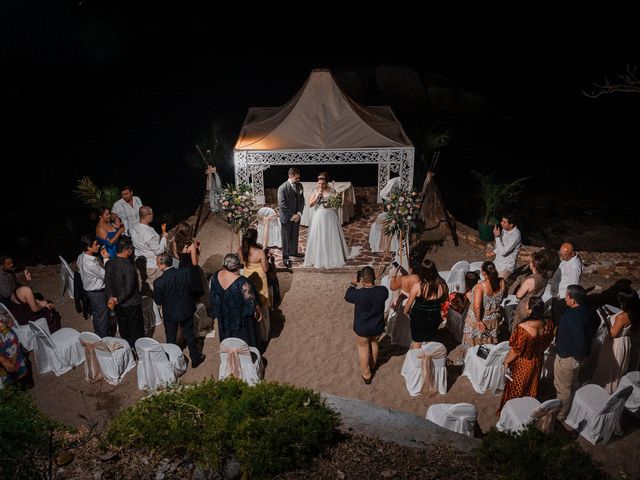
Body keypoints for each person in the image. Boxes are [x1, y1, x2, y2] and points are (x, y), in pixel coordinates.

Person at [497, 297, 554, 415]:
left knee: (516, 390)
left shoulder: (523, 328)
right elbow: (549, 339)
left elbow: (515, 351)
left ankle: (512, 415)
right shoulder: (548, 323)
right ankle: (525, 412)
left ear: (529, 310)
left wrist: (506, 362)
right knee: (531, 387)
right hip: (537, 360)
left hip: (523, 365)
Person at [553, 284, 599, 422]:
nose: (565, 298)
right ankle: (572, 404)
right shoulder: (589, 311)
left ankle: (560, 416)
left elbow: (579, 339)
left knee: (563, 389)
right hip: (581, 355)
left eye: (567, 295)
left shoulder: (570, 316)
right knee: (572, 381)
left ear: (573, 300)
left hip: (568, 357)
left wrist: (573, 357)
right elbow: (596, 323)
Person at [153, 253, 205, 368]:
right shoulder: (185, 272)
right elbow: (192, 288)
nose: (157, 265)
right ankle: (195, 358)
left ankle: (173, 362)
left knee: (171, 337)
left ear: (163, 265)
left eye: (157, 263)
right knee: (189, 334)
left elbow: (159, 301)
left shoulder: (158, 282)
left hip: (170, 313)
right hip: (186, 309)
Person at [454, 261, 506, 365]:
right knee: (486, 343)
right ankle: (481, 363)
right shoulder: (502, 282)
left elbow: (476, 306)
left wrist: (478, 321)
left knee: (471, 341)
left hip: (478, 320)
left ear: (484, 273)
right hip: (493, 319)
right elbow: (504, 296)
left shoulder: (480, 287)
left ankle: (466, 363)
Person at [344, 266, 388, 384]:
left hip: (362, 328)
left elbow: (347, 296)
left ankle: (366, 373)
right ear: (374, 277)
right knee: (374, 344)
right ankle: (372, 365)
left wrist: (353, 284)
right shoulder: (383, 291)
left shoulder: (358, 294)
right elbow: (385, 294)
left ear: (362, 279)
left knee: (363, 349)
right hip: (377, 327)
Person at [592, 287, 639, 393]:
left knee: (609, 368)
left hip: (615, 344)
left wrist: (606, 317)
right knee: (617, 370)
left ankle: (604, 391)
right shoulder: (634, 312)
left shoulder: (622, 317)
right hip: (625, 342)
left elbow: (613, 333)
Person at [209, 253, 261, 348]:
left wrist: (212, 318)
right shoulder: (243, 282)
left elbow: (213, 298)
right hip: (241, 322)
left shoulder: (215, 277)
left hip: (224, 319)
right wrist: (258, 312)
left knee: (229, 345)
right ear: (237, 267)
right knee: (244, 345)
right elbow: (252, 301)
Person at [304, 172, 350, 269]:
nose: (321, 185)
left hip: (329, 215)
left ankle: (332, 257)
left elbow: (337, 202)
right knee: (319, 236)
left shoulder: (332, 190)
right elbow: (310, 204)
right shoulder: (315, 190)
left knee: (330, 236)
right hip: (319, 216)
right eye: (319, 183)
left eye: (323, 183)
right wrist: (317, 196)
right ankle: (318, 258)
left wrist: (332, 204)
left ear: (327, 183)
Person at [105, 238, 144, 351]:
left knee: (123, 328)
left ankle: (128, 349)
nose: (133, 251)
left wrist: (111, 298)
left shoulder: (109, 263)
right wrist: (118, 299)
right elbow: (129, 289)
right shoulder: (128, 266)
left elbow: (106, 283)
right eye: (131, 248)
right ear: (125, 250)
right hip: (131, 303)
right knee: (135, 329)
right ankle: (138, 350)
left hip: (118, 304)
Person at [403, 259, 448, 349]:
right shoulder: (442, 285)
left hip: (419, 318)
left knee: (417, 341)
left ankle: (416, 361)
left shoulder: (418, 286)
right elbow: (445, 299)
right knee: (431, 340)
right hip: (434, 317)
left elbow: (409, 304)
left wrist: (405, 312)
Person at [77, 234, 112, 337]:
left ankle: (98, 335)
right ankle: (103, 339)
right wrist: (105, 259)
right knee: (102, 316)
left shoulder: (80, 256)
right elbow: (106, 275)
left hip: (90, 291)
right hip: (97, 293)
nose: (98, 246)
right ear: (88, 247)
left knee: (97, 315)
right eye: (96, 245)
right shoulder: (90, 264)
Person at [239, 228, 270, 342]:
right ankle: (264, 333)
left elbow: (243, 263)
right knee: (262, 305)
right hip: (260, 279)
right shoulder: (260, 252)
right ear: (255, 239)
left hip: (248, 277)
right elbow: (265, 269)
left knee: (251, 303)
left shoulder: (241, 250)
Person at [129, 206, 168, 296]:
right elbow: (158, 251)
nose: (153, 215)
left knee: (146, 292)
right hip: (152, 266)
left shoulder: (133, 227)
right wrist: (164, 238)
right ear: (147, 216)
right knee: (157, 292)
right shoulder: (150, 233)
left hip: (139, 264)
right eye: (151, 214)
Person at [510, 249, 551, 329]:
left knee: (519, 328)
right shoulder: (544, 277)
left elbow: (519, 295)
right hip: (536, 305)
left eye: (531, 261)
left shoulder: (530, 280)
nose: (530, 263)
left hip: (526, 306)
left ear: (534, 265)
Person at [277, 167, 305, 269]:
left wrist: (299, 213)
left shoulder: (300, 186)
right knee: (286, 239)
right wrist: (292, 216)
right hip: (286, 218)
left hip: (297, 217)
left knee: (294, 236)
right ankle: (285, 257)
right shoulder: (282, 188)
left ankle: (294, 252)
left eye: (299, 178)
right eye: (296, 178)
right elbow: (282, 205)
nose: (298, 180)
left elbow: (302, 200)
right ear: (290, 176)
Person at [171, 221, 205, 301]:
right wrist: (198, 251)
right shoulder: (191, 245)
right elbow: (194, 263)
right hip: (190, 271)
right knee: (194, 293)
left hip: (180, 269)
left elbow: (176, 257)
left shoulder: (174, 242)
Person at [0, 311, 33, 390]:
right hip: (3, 352)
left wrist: (7, 320)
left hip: (11, 343)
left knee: (19, 365)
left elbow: (5, 317)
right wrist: (1, 359)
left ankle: (24, 381)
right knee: (8, 373)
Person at [486, 213, 521, 281]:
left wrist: (497, 237)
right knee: (485, 275)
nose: (501, 223)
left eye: (504, 222)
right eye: (502, 221)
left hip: (506, 267)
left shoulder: (515, 236)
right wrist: (494, 252)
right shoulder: (505, 230)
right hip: (497, 262)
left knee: (497, 284)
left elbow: (503, 252)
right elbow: (501, 244)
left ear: (511, 224)